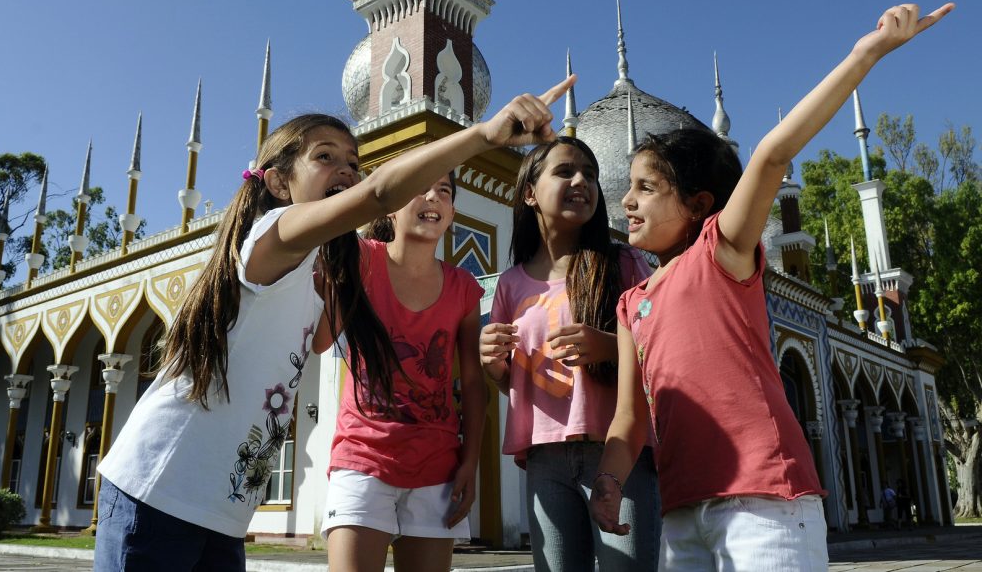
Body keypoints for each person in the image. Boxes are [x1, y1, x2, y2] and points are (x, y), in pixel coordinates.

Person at [93, 75, 575, 571]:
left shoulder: (323, 269)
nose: (345, 169)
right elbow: (379, 195)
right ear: (279, 183)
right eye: (325, 156)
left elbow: (326, 340)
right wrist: (484, 136)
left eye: (352, 161)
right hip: (160, 486)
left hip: (221, 512)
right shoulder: (275, 234)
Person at [590, 3, 954, 571]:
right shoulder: (629, 304)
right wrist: (609, 481)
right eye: (628, 186)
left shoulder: (720, 253)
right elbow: (629, 418)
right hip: (682, 513)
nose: (627, 200)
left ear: (699, 205)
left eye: (646, 187)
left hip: (764, 505)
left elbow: (772, 153)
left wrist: (866, 55)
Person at [479, 136, 661, 572]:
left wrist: (608, 345)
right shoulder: (510, 284)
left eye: (590, 175)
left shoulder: (622, 264)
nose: (582, 181)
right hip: (544, 459)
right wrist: (494, 366)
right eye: (565, 171)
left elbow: (662, 347)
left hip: (618, 453)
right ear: (529, 193)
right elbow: (515, 385)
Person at [315, 172, 486, 572]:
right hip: (361, 458)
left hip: (437, 466)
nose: (433, 196)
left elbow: (473, 383)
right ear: (390, 207)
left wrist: (470, 462)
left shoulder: (464, 288)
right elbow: (321, 339)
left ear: (452, 214)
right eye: (420, 187)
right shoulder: (361, 259)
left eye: (444, 191)